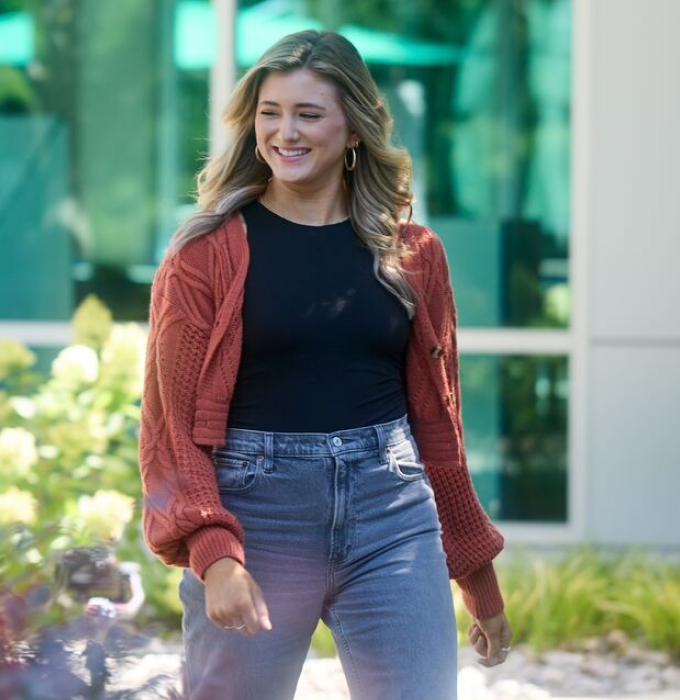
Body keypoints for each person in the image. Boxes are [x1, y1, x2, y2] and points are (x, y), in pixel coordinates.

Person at [139, 30, 514, 700]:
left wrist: (476, 574)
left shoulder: (414, 255)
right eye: (270, 112)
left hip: (390, 514)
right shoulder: (204, 255)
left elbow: (438, 426)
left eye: (308, 114)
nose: (285, 132)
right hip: (257, 517)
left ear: (355, 131)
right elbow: (172, 431)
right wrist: (215, 554)